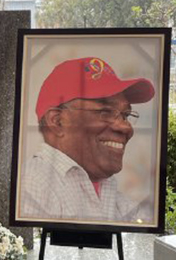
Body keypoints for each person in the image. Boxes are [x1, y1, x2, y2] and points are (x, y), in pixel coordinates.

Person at [20, 57, 156, 223]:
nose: (126, 128)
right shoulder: (33, 184)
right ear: (57, 121)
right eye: (105, 112)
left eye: (126, 115)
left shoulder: (103, 183)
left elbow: (140, 221)